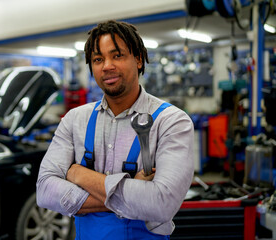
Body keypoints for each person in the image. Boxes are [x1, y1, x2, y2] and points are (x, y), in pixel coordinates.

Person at [37, 20, 194, 240]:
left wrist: (79, 175)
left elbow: (161, 204)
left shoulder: (171, 122)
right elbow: (45, 191)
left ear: (138, 59)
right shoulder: (75, 120)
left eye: (117, 55)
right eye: (98, 59)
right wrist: (133, 192)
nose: (107, 66)